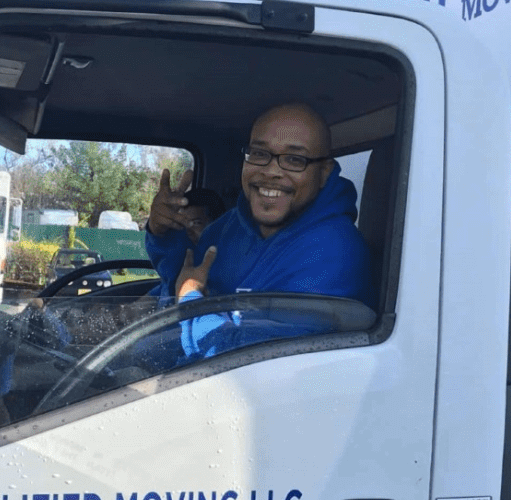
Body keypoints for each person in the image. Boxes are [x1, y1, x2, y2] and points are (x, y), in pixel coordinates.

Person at [145, 102, 372, 358]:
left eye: (295, 159)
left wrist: (190, 304)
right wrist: (162, 233)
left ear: (324, 172)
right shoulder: (226, 228)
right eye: (260, 154)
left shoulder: (334, 253)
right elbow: (181, 282)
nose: (271, 171)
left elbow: (260, 359)